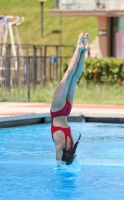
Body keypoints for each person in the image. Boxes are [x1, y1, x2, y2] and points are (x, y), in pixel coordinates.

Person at [50, 32, 89, 167]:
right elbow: (58, 162)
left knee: (75, 76)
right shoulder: (60, 145)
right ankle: (79, 48)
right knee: (68, 75)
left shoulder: (72, 144)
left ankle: (85, 49)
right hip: (58, 109)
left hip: (67, 109)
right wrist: (60, 165)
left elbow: (73, 157)